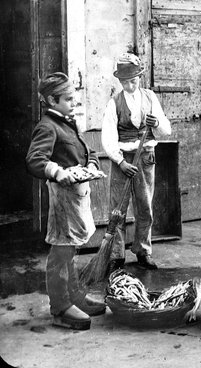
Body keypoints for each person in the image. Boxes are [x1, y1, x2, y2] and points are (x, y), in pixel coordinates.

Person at [26, 72, 106, 330]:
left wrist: (91, 162)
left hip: (78, 193)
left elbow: (86, 151)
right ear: (52, 100)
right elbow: (35, 159)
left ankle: (75, 296)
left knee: (71, 248)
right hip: (62, 196)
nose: (75, 102)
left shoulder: (68, 122)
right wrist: (58, 172)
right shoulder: (47, 126)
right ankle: (60, 307)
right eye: (69, 99)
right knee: (61, 251)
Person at [101, 53, 171, 272]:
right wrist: (120, 162)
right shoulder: (114, 102)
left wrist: (156, 122)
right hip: (122, 159)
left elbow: (165, 130)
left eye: (134, 80)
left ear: (140, 77)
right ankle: (116, 255)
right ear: (119, 81)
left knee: (145, 207)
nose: (130, 85)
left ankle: (143, 250)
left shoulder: (150, 97)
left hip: (145, 157)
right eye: (125, 82)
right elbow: (108, 137)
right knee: (118, 209)